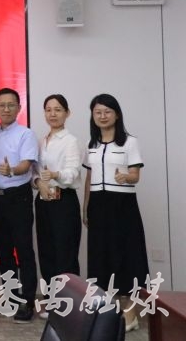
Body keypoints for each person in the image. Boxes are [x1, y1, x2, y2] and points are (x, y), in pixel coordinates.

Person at [82, 93, 150, 333]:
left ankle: (130, 313)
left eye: (107, 112)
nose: (102, 116)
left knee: (127, 257)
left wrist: (126, 177)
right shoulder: (91, 144)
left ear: (117, 114)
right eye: (97, 112)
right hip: (98, 205)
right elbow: (89, 177)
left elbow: (136, 176)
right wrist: (85, 207)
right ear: (93, 115)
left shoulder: (129, 142)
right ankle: (108, 313)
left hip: (122, 205)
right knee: (101, 258)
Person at [0, 88, 39, 323]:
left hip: (18, 197)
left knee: (24, 250)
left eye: (11, 105)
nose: (6, 109)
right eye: (2, 105)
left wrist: (11, 170)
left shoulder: (25, 134)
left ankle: (28, 301)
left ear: (19, 108)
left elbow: (27, 165)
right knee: (3, 252)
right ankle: (11, 298)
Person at [34, 94, 82, 292]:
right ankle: (51, 300)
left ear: (67, 113)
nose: (52, 114)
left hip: (64, 202)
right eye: (48, 110)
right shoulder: (41, 141)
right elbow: (34, 172)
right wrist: (38, 182)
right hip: (43, 200)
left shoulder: (71, 141)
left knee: (65, 254)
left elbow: (73, 173)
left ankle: (69, 303)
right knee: (46, 252)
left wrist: (55, 174)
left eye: (58, 110)